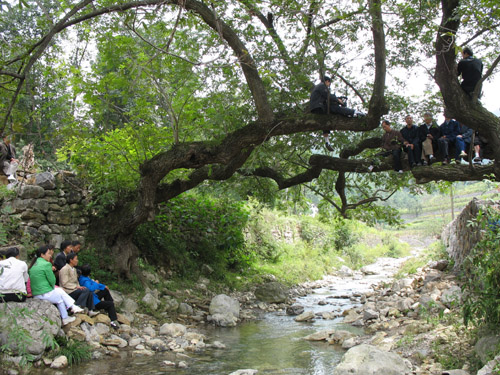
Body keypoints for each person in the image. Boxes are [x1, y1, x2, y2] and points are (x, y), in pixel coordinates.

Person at [29, 245, 84, 325]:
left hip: (36, 293)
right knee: (59, 291)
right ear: (42, 255)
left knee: (60, 299)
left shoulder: (34, 265)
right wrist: (52, 288)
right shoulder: (46, 264)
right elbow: (52, 280)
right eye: (48, 253)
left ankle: (65, 317)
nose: (50, 255)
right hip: (43, 293)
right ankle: (73, 306)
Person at [309, 76, 365, 151]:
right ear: (327, 81)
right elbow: (328, 96)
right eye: (329, 83)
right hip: (319, 106)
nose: (329, 85)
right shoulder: (322, 85)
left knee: (325, 123)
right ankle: (354, 112)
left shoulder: (317, 88)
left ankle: (327, 141)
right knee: (335, 108)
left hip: (317, 108)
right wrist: (338, 100)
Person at [79, 264, 119, 329]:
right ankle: (113, 320)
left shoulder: (85, 278)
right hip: (93, 302)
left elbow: (93, 282)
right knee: (110, 304)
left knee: (105, 290)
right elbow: (90, 288)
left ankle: (111, 310)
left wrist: (103, 286)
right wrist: (96, 283)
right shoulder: (84, 281)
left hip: (94, 297)